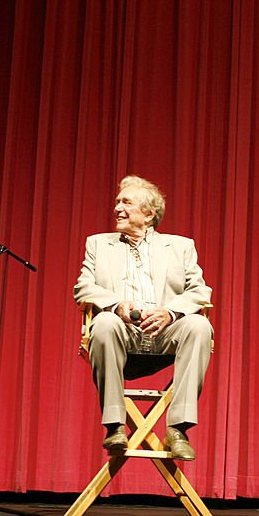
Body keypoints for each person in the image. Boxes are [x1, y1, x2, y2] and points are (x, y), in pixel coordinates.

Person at [74, 175, 213, 460]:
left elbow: (200, 291)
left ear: (149, 214)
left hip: (165, 334)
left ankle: (178, 428)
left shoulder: (180, 246)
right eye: (117, 202)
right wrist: (116, 306)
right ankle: (115, 426)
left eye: (126, 202)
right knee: (105, 321)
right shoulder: (99, 245)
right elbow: (84, 287)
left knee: (199, 325)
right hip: (120, 333)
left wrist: (170, 312)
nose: (117, 208)